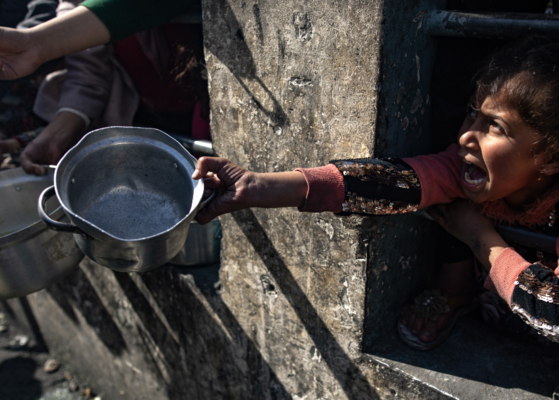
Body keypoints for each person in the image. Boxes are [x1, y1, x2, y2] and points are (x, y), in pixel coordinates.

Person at [191, 36, 559, 349]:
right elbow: (383, 183)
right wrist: (254, 186)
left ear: (551, 157)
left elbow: (553, 311)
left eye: (495, 126)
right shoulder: (466, 167)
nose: (465, 135)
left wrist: (482, 240)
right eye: (472, 115)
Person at [0, 0, 208, 175]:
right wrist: (56, 135)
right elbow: (86, 68)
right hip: (140, 113)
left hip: (205, 104)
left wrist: (35, 43)